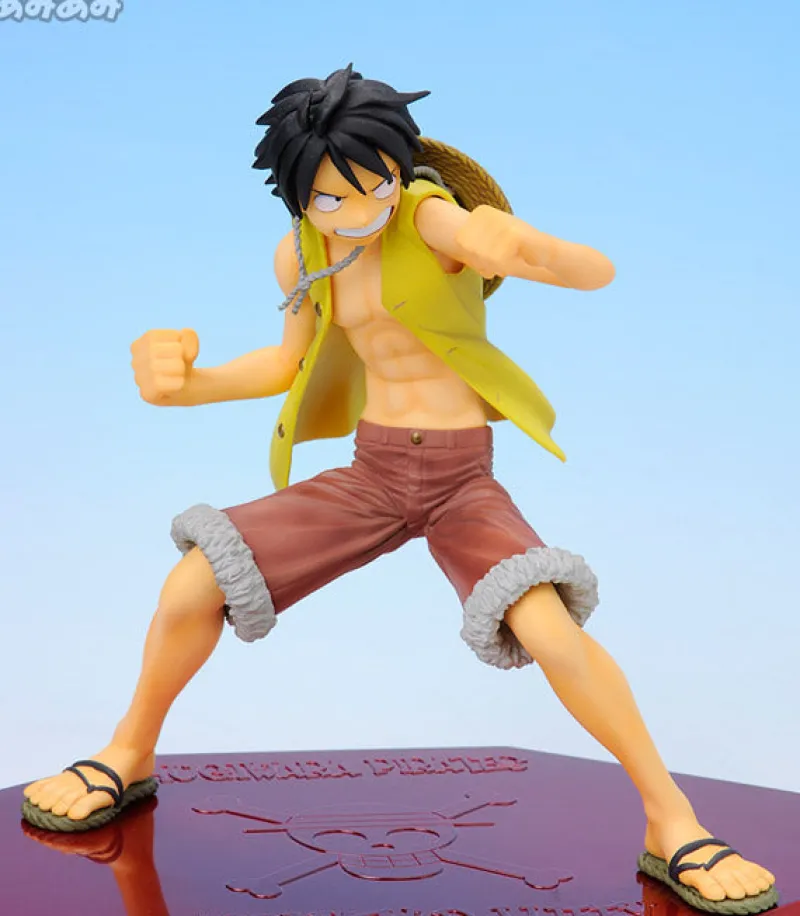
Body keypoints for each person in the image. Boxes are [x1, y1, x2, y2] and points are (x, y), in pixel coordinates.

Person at [23, 66, 776, 913]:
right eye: (329, 198)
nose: (358, 210)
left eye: (375, 185)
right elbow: (285, 363)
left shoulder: (428, 217)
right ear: (296, 194)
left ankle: (671, 820)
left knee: (551, 631)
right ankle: (128, 753)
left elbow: (593, 272)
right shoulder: (302, 252)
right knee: (193, 581)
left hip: (460, 477)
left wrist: (523, 249)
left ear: (400, 166)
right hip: (373, 471)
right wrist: (187, 387)